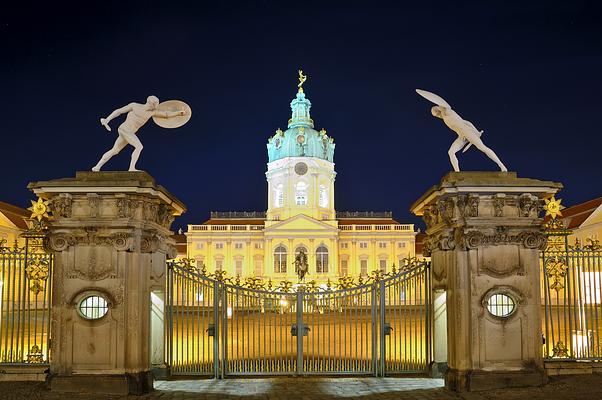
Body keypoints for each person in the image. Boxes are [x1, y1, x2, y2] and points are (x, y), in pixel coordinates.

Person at [92, 95, 185, 172]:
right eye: (155, 105)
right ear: (150, 103)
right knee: (139, 146)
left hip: (129, 132)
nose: (155, 107)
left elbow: (166, 114)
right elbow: (119, 111)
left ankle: (97, 167)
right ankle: (131, 168)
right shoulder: (135, 106)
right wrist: (108, 119)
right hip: (125, 128)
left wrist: (179, 113)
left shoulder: (151, 113)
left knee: (115, 150)